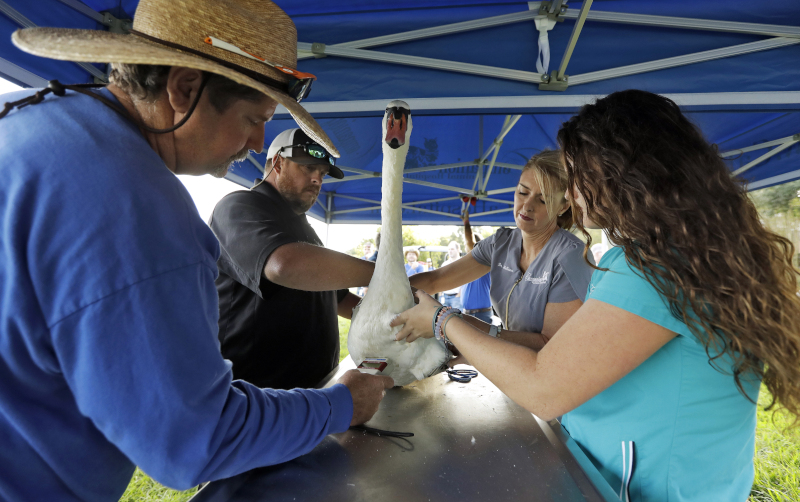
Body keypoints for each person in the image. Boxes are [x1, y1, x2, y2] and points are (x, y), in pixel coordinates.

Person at [0, 2, 392, 501]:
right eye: (253, 118)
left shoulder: (36, 123)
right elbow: (192, 439)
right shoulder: (134, 198)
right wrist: (341, 406)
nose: (255, 143)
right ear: (184, 88)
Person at [393, 90, 800, 502]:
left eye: (576, 179)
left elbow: (543, 386)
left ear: (618, 173)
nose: (571, 195)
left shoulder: (657, 265)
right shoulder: (691, 252)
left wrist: (443, 321)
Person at [211, 128, 375, 390]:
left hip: (315, 393)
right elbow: (282, 265)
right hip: (256, 395)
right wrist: (386, 273)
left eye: (321, 174)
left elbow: (337, 298)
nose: (317, 180)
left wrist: (388, 318)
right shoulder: (239, 206)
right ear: (278, 163)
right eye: (309, 168)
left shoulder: (304, 230)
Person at [410, 151, 594, 350]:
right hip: (514, 367)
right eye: (523, 193)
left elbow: (550, 345)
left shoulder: (571, 256)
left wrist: (451, 323)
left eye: (542, 200)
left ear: (563, 206)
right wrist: (381, 294)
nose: (527, 206)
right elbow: (434, 281)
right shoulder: (501, 243)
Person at [458, 212, 493, 324]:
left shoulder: (483, 260)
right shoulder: (467, 265)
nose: (466, 249)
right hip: (468, 313)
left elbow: (469, 243)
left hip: (481, 315)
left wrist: (466, 223)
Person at [439, 241, 463, 308]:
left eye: (452, 249)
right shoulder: (444, 264)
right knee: (443, 318)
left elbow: (466, 282)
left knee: (457, 318)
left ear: (458, 250)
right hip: (444, 297)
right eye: (449, 249)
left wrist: (459, 294)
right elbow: (440, 280)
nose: (450, 251)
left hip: (457, 297)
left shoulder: (462, 263)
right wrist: (440, 295)